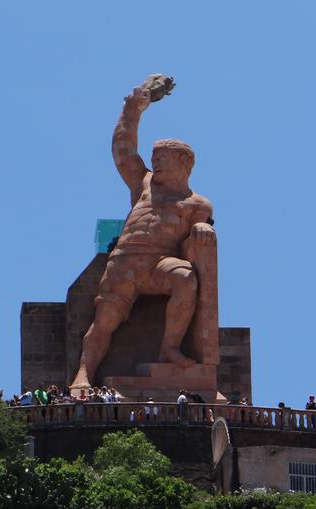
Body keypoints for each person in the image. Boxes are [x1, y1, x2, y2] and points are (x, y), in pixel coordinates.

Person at [70, 83, 216, 392]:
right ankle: (83, 373)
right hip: (125, 262)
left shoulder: (198, 205)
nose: (156, 161)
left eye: (163, 156)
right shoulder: (145, 184)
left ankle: (169, 348)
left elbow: (193, 242)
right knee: (104, 321)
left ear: (184, 163)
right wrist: (132, 110)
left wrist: (203, 229)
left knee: (185, 278)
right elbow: (123, 153)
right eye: (154, 156)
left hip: (160, 262)